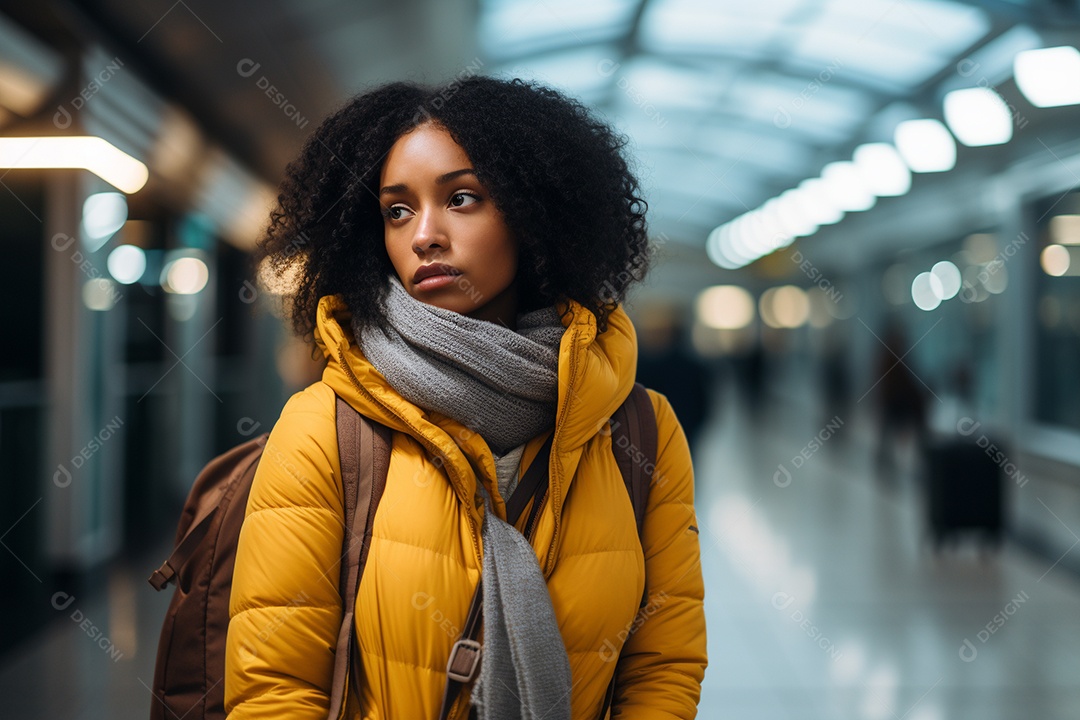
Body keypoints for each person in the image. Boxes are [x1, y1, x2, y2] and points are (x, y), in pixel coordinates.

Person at [224, 76, 707, 720]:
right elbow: (274, 689)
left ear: (534, 213)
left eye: (461, 198)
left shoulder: (640, 429)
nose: (425, 234)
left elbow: (662, 666)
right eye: (397, 210)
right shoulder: (324, 427)